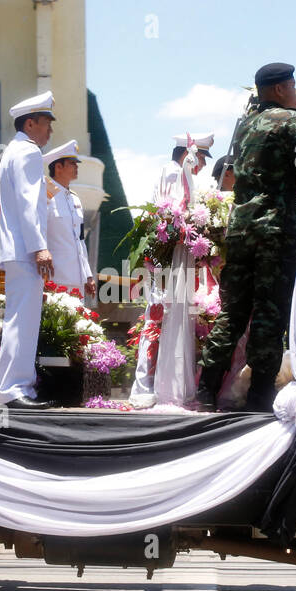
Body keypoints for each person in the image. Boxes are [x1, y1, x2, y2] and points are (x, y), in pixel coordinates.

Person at [197, 63, 296, 413]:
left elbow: (233, 175)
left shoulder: (245, 125)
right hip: (275, 230)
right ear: (279, 89)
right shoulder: (292, 122)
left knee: (232, 311)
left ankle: (206, 391)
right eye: (294, 86)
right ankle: (260, 397)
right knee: (270, 310)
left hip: (241, 229)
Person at [129, 132, 213, 409]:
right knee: (156, 320)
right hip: (167, 259)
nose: (200, 164)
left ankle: (159, 384)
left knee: (169, 319)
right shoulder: (171, 172)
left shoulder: (179, 173)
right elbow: (170, 216)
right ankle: (144, 386)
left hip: (175, 258)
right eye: (200, 157)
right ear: (187, 154)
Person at [0, 90, 56, 410]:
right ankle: (13, 389)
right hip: (25, 249)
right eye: (46, 123)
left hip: (16, 248)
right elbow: (30, 205)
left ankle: (18, 387)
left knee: (21, 319)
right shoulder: (29, 152)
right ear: (30, 123)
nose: (50, 131)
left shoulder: (12, 152)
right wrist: (40, 248)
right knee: (23, 320)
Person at [41, 139, 96, 299]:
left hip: (76, 278)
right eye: (72, 163)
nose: (77, 167)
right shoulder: (44, 194)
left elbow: (80, 240)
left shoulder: (74, 199)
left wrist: (88, 275)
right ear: (58, 167)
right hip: (54, 278)